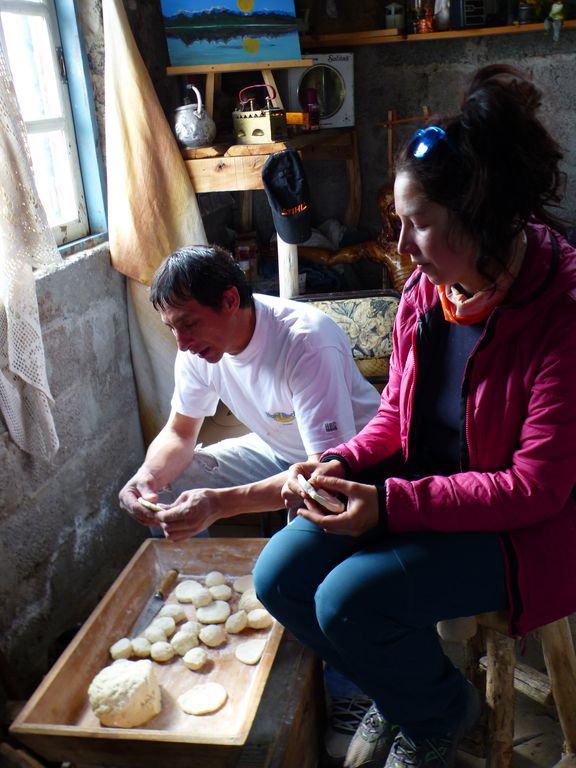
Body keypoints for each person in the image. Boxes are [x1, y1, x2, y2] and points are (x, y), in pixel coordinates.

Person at [252, 63, 576, 768]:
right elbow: (396, 417)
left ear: (483, 220)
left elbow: (536, 487)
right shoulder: (429, 292)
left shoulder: (560, 312)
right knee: (279, 574)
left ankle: (434, 714)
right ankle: (416, 693)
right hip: (428, 491)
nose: (399, 246)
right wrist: (340, 461)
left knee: (347, 602)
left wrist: (391, 507)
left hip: (521, 530)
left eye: (419, 224)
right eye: (398, 222)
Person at [118, 243, 381, 761]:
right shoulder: (197, 348)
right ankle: (201, 611)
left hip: (350, 465)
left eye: (188, 324)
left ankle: (351, 689)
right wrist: (145, 479)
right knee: (168, 485)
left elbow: (323, 476)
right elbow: (180, 432)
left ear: (230, 300)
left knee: (318, 535)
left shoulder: (305, 341)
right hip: (279, 450)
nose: (181, 341)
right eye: (172, 328)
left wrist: (219, 503)